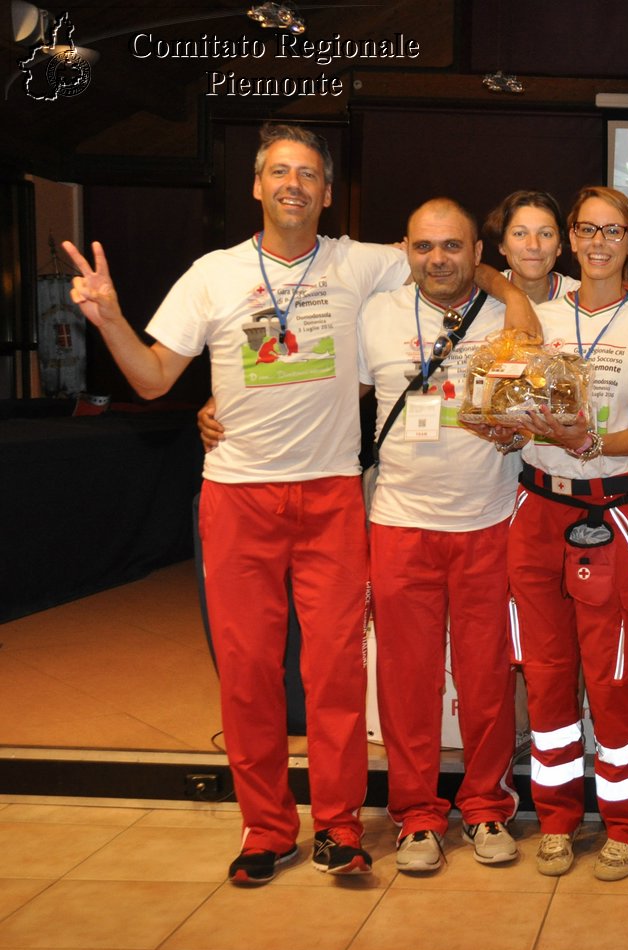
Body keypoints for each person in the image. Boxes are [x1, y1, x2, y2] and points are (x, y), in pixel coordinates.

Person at [62, 124, 412, 885]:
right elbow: (153, 379)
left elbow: (456, 263)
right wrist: (109, 318)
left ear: (327, 191)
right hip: (237, 497)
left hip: (330, 497)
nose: (294, 183)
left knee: (336, 673)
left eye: (309, 173)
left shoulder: (363, 263)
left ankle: (342, 825)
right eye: (280, 171)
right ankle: (266, 827)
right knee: (248, 673)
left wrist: (518, 299)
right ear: (257, 186)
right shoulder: (212, 275)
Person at [507, 186, 628, 882]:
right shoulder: (536, 318)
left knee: (612, 679)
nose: (600, 242)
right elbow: (509, 407)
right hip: (536, 510)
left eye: (614, 231)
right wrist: (510, 421)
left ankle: (626, 823)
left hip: (611, 512)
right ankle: (555, 818)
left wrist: (582, 441)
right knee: (548, 679)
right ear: (571, 240)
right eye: (588, 230)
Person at [361, 198, 522, 872]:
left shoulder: (511, 314)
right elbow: (329, 393)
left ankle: (486, 807)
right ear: (405, 249)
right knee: (407, 680)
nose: (438, 259)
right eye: (425, 246)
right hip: (400, 522)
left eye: (452, 246)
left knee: (486, 678)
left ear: (477, 255)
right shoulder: (376, 316)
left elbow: (531, 407)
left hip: (488, 519)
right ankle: (417, 816)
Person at [484, 189, 578, 308]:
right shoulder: (483, 296)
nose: (534, 246)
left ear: (559, 245)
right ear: (502, 245)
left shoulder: (580, 297)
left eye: (545, 234)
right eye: (520, 233)